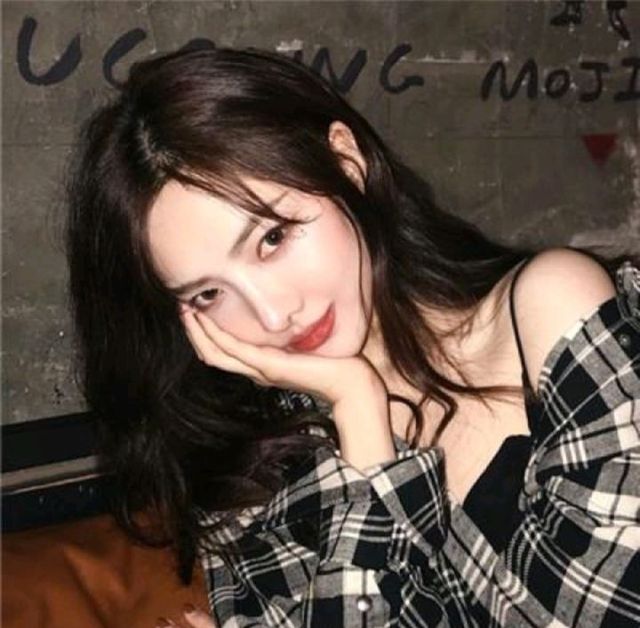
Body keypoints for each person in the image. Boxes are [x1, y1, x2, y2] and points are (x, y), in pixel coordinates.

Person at [64, 46, 640, 627]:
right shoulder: (250, 487)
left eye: (272, 238)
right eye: (209, 293)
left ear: (345, 162)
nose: (274, 315)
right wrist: (361, 415)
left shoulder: (549, 309)